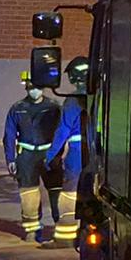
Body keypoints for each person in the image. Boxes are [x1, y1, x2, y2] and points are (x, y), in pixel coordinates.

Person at [4, 71, 63, 244]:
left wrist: (59, 155)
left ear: (43, 88)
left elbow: (61, 132)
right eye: (30, 87)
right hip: (27, 155)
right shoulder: (17, 108)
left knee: (56, 193)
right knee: (29, 194)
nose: (33, 91)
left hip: (49, 154)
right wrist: (11, 159)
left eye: (36, 87)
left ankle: (59, 228)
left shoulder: (53, 107)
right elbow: (9, 135)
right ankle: (32, 230)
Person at [44, 57, 89, 249]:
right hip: (102, 154)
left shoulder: (72, 101)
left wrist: (50, 156)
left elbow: (62, 131)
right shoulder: (104, 94)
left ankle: (65, 237)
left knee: (69, 195)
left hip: (78, 155)